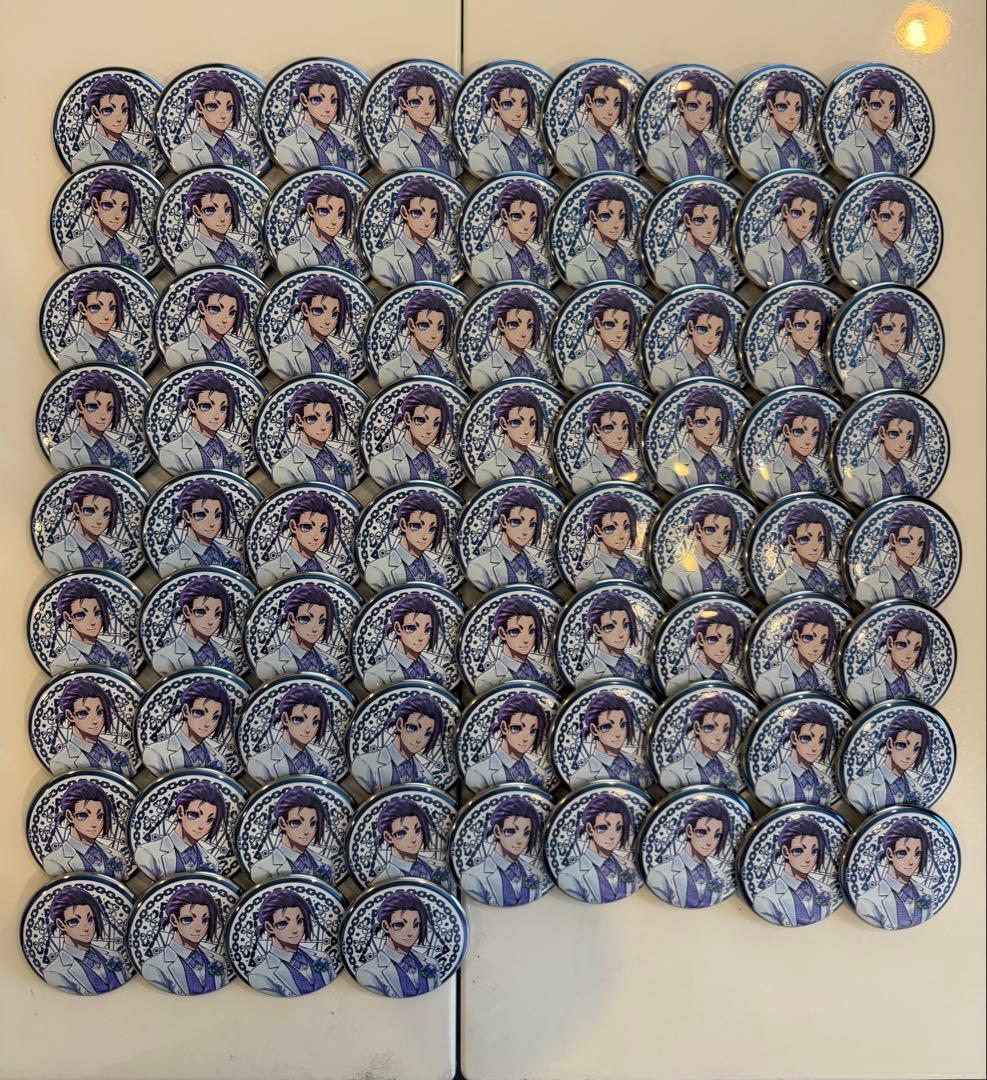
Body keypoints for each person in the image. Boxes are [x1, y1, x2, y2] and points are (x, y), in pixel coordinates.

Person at [141, 883, 229, 994]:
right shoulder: (154, 967)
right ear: (174, 920)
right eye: (188, 919)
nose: (198, 928)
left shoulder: (219, 960)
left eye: (205, 920)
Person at [459, 795, 547, 906]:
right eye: (511, 831)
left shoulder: (535, 873)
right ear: (497, 831)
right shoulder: (473, 877)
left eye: (526, 833)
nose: (519, 840)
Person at [349, 692, 446, 792]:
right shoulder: (365, 764)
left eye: (427, 734)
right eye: (413, 728)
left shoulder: (427, 777)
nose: (419, 739)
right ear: (400, 724)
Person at [646, 797, 733, 908]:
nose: (709, 842)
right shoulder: (660, 874)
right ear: (689, 831)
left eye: (717, 836)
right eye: (702, 832)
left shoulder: (720, 876)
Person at [248, 888, 337, 996]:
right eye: (283, 923)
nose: (295, 930)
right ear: (269, 927)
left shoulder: (322, 957)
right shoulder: (260, 975)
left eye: (300, 921)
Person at [751, 816, 837, 927]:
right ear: (785, 852)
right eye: (799, 850)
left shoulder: (826, 890)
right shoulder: (766, 899)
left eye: (814, 851)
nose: (808, 859)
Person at [43, 885, 128, 994]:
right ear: (61, 924)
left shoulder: (115, 956)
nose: (86, 928)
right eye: (74, 921)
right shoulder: (55, 972)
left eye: (90, 919)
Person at [556, 791, 640, 903]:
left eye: (619, 828)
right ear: (590, 829)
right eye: (603, 827)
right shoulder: (570, 875)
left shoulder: (630, 866)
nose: (612, 836)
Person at [855, 818, 936, 929]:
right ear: (890, 854)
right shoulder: (868, 902)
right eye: (903, 852)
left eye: (917, 854)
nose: (911, 861)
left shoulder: (927, 893)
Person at [754, 702, 837, 806]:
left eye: (822, 741)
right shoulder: (768, 783)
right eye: (807, 738)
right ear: (794, 738)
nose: (815, 748)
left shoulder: (827, 782)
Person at [142, 676, 231, 773]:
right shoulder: (155, 753)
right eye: (199, 713)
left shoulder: (220, 760)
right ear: (185, 710)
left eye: (215, 718)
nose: (207, 723)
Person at [832, 71, 911, 178]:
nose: (886, 114)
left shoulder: (902, 150)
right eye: (877, 105)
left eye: (892, 107)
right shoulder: (846, 151)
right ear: (865, 104)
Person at [171, 71, 253, 172]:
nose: (223, 115)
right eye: (213, 106)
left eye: (229, 108)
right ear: (199, 107)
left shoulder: (246, 150)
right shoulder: (182, 154)